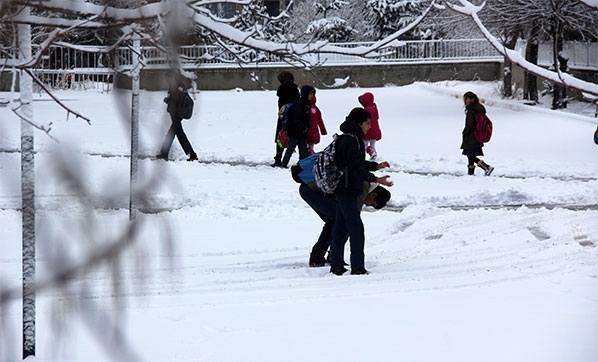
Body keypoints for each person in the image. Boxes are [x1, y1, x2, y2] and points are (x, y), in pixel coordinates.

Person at [329, 107, 394, 276]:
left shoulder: (347, 138)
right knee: (356, 229)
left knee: (341, 227)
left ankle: (336, 265)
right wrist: (376, 179)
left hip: (343, 187)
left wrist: (376, 166)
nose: (369, 127)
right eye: (367, 123)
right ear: (358, 123)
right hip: (347, 189)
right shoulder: (353, 140)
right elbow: (354, 168)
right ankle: (357, 267)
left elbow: (355, 163)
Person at [300, 181, 391, 267]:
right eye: (372, 203)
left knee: (334, 220)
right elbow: (351, 220)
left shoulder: (364, 183)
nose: (367, 205)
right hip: (311, 191)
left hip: (308, 189)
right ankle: (324, 256)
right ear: (373, 194)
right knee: (341, 219)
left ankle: (318, 257)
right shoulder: (362, 188)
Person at [158, 71, 197, 162]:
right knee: (172, 133)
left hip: (177, 113)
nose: (167, 80)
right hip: (175, 112)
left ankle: (192, 154)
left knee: (179, 133)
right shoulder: (177, 85)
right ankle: (164, 152)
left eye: (168, 78)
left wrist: (169, 100)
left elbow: (179, 99)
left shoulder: (177, 85)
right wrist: (168, 99)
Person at [280, 85, 315, 168]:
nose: (312, 96)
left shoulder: (307, 104)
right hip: (294, 132)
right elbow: (296, 119)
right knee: (290, 149)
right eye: (310, 94)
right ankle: (284, 164)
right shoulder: (299, 104)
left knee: (303, 151)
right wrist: (303, 127)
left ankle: (302, 165)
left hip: (302, 133)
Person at [461, 91, 494, 176]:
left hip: (471, 135)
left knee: (470, 154)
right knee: (470, 153)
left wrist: (465, 132)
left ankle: (486, 167)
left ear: (472, 99)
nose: (465, 101)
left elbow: (470, 124)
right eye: (464, 99)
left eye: (467, 99)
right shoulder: (478, 109)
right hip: (477, 134)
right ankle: (471, 172)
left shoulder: (471, 111)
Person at [272, 71, 300, 167]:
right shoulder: (294, 89)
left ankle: (279, 158)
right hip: (292, 118)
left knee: (280, 138)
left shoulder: (282, 90)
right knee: (289, 139)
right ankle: (284, 158)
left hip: (283, 117)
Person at [358, 92, 382, 160]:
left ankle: (370, 153)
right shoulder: (374, 107)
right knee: (372, 144)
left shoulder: (367, 109)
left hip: (368, 130)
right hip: (375, 130)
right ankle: (374, 155)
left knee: (364, 145)